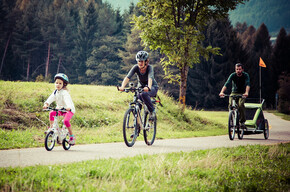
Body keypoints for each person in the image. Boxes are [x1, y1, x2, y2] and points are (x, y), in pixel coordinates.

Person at [119, 50, 158, 119]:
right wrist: (122, 86)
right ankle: (138, 124)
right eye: (139, 61)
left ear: (146, 62)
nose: (140, 63)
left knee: (143, 94)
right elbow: (128, 77)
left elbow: (150, 78)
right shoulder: (136, 67)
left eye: (142, 61)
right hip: (141, 87)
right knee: (137, 98)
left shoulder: (149, 68)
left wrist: (148, 87)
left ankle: (152, 111)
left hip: (152, 87)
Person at [43, 73, 76, 145]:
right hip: (60, 109)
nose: (58, 84)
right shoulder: (55, 92)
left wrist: (68, 107)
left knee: (66, 121)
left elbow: (67, 101)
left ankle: (72, 137)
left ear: (63, 85)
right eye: (56, 83)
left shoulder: (65, 93)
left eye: (60, 83)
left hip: (69, 110)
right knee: (51, 113)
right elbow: (50, 98)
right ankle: (52, 128)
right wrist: (46, 104)